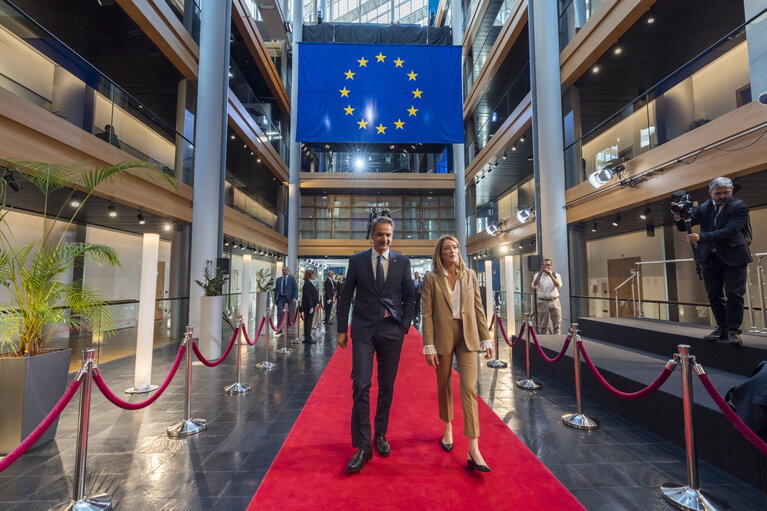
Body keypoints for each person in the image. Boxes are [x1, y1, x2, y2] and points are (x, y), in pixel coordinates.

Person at [336, 216, 416, 473]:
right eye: (380, 234)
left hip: (392, 330)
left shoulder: (402, 262)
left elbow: (410, 296)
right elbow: (346, 295)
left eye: (389, 235)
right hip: (362, 330)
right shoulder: (357, 261)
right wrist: (341, 329)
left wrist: (404, 324)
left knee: (387, 385)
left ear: (393, 236)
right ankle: (362, 445)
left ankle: (380, 434)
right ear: (372, 235)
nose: (385, 239)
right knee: (360, 383)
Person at [421, 235, 493, 472]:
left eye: (454, 247)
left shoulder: (470, 275)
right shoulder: (431, 278)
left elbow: (478, 308)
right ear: (440, 253)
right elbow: (427, 314)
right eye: (447, 248)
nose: (452, 251)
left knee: (469, 388)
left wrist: (486, 337)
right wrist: (428, 344)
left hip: (468, 335)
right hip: (443, 335)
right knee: (444, 384)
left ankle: (474, 447)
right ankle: (448, 426)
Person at [674, 177, 752, 345]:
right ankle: (722, 329)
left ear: (731, 190)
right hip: (709, 257)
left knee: (734, 294)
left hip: (734, 257)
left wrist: (701, 237)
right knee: (714, 295)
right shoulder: (704, 207)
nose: (722, 196)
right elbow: (682, 226)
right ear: (710, 193)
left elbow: (730, 231)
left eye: (726, 192)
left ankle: (733, 331)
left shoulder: (739, 207)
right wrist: (678, 215)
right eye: (718, 193)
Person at [532, 259, 563, 334]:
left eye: (548, 265)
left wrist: (550, 275)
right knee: (543, 325)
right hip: (542, 301)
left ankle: (558, 343)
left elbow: (558, 285)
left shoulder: (556, 275)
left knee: (557, 325)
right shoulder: (537, 275)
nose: (546, 267)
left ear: (551, 266)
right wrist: (539, 274)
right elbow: (534, 286)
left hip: (554, 301)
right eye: (544, 265)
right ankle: (543, 344)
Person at [274, 266, 298, 333]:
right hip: (280, 298)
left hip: (289, 298)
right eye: (283, 270)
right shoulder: (278, 279)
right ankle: (279, 328)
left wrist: (295, 297)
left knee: (287, 313)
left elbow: (295, 289)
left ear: (288, 271)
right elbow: (276, 291)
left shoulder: (292, 279)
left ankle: (286, 328)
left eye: (285, 270)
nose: (284, 271)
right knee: (279, 313)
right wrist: (275, 300)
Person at [301, 269, 319, 343]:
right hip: (308, 307)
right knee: (308, 322)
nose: (314, 276)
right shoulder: (307, 283)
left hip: (311, 306)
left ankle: (308, 337)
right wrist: (311, 306)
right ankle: (308, 338)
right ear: (310, 275)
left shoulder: (310, 283)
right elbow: (308, 296)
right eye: (313, 274)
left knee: (309, 322)